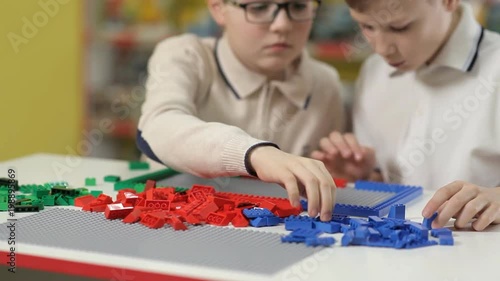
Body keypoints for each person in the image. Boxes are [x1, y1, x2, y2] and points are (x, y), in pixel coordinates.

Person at [136, 0, 346, 221]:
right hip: (175, 225)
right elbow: (158, 125)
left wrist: (345, 173)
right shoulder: (186, 55)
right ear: (218, 9)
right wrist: (256, 154)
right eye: (259, 7)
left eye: (298, 7)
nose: (282, 25)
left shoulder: (325, 83)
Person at [312, 0, 500, 230]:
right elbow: (393, 183)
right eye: (367, 27)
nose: (382, 49)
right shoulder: (374, 72)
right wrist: (364, 178)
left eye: (399, 28)